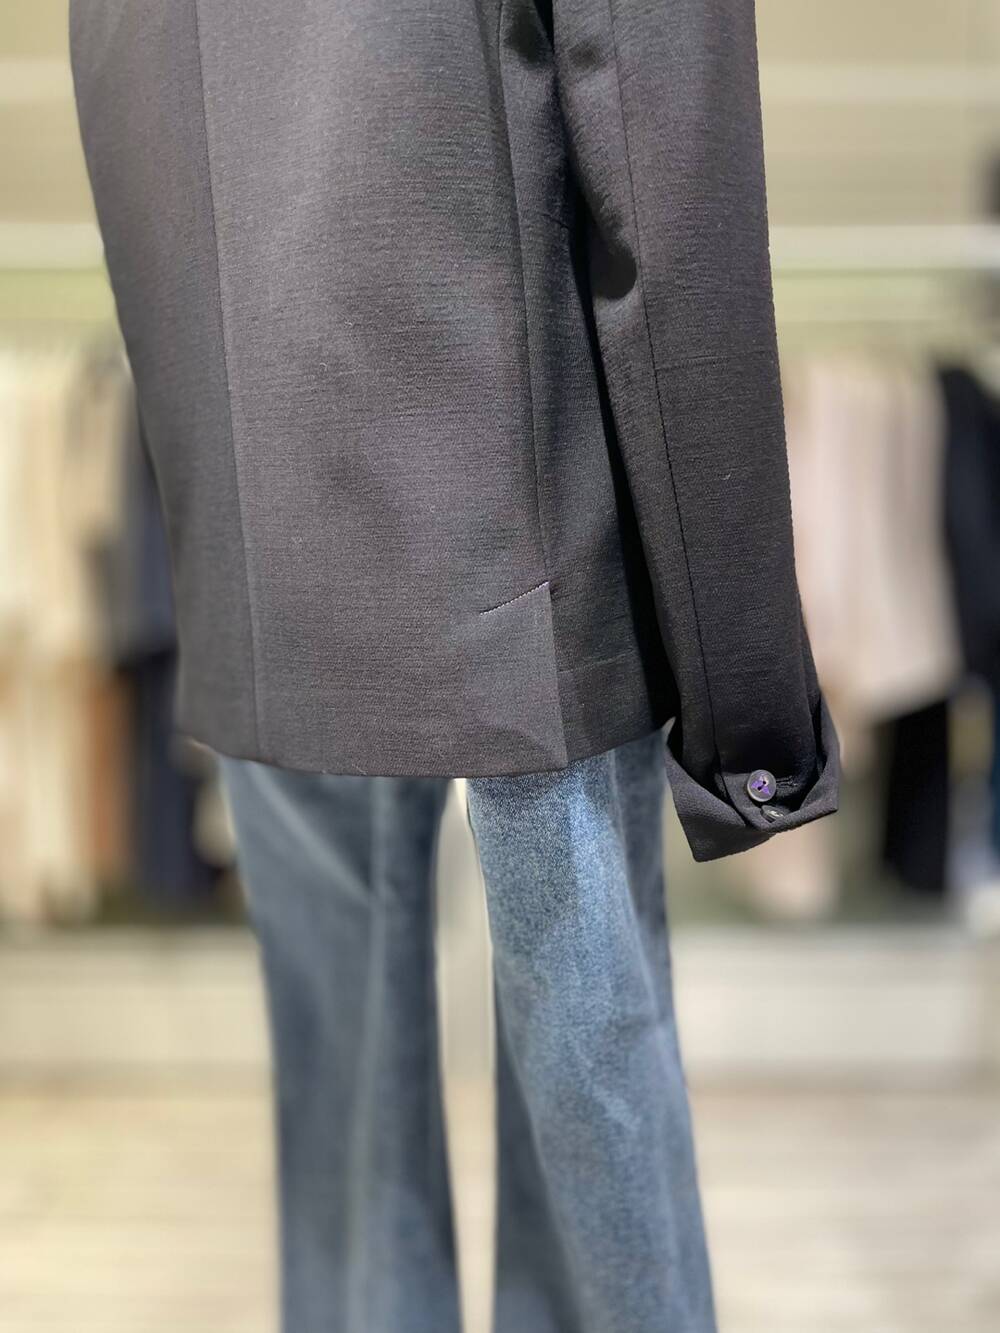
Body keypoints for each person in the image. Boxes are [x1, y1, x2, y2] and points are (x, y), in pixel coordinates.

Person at [71, 1, 839, 1329]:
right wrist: (750, 709)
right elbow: (671, 172)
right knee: (593, 1104)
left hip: (253, 516)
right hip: (530, 527)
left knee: (346, 1115)